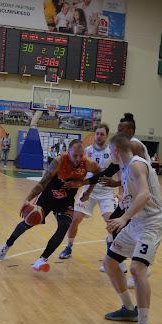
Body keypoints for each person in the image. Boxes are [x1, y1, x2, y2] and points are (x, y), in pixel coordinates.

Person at [64, 113, 152, 286]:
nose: (117, 133)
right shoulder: (122, 149)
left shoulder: (134, 146)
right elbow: (108, 172)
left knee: (128, 228)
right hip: (132, 193)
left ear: (130, 132)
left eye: (120, 130)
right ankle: (120, 261)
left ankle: (141, 266)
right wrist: (82, 183)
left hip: (142, 195)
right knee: (115, 225)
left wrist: (117, 185)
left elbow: (143, 174)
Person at [0, 140, 101, 272]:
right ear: (68, 152)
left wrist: (86, 189)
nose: (78, 159)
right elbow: (43, 183)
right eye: (75, 155)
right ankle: (8, 244)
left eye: (81, 155)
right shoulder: (59, 161)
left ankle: (42, 259)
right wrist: (27, 199)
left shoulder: (88, 163)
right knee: (29, 222)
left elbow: (99, 174)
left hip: (66, 200)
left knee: (64, 226)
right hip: (48, 196)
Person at [102, 133, 162, 324]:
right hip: (136, 223)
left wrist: (123, 218)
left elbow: (145, 195)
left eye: (110, 151)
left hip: (151, 223)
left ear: (116, 150)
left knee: (137, 269)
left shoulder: (135, 165)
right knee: (110, 264)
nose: (109, 155)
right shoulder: (124, 167)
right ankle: (129, 309)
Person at [58, 124, 118, 259]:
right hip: (89, 189)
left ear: (107, 136)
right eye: (97, 133)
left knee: (110, 221)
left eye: (102, 134)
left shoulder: (111, 151)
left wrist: (120, 192)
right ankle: (68, 247)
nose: (99, 136)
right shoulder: (86, 151)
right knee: (75, 219)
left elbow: (118, 171)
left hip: (107, 191)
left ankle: (110, 243)